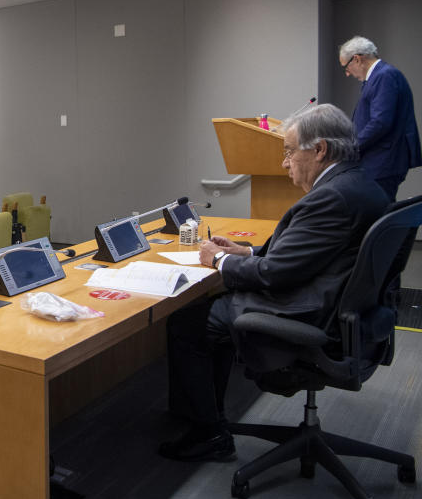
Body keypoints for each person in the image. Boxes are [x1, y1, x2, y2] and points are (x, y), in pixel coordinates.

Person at [159, 104, 388, 462]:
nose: (284, 163)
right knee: (209, 314)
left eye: (288, 151)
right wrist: (246, 251)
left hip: (308, 314)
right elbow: (308, 253)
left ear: (320, 150)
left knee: (187, 324)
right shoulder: (361, 184)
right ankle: (204, 413)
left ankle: (208, 431)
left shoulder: (331, 196)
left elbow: (273, 274)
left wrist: (219, 259)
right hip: (343, 310)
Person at [339, 36, 421, 201]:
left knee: (379, 216)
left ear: (357, 59)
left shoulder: (384, 76)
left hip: (383, 161)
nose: (347, 74)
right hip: (380, 160)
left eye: (346, 67)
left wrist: (350, 147)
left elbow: (380, 122)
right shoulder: (380, 76)